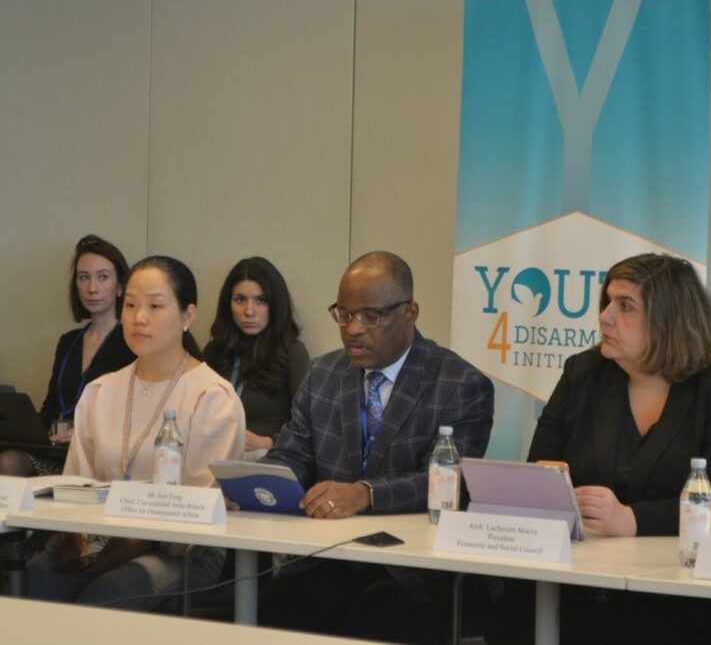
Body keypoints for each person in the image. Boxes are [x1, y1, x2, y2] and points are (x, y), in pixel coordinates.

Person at [493, 253, 711, 645]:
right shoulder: (584, 373)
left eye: (625, 306)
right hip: (586, 583)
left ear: (670, 319)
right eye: (607, 302)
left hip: (691, 595)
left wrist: (632, 520)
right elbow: (542, 470)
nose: (606, 317)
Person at [259, 251, 494, 641]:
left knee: (375, 618)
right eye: (344, 314)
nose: (353, 329)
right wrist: (255, 483)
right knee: (271, 609)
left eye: (371, 316)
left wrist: (365, 494)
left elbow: (450, 483)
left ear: (410, 313)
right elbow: (294, 453)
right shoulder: (323, 374)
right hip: (328, 556)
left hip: (412, 569)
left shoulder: (459, 383)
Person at [26, 255, 245, 610]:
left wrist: (132, 539)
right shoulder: (102, 390)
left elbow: (198, 508)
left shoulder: (210, 395)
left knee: (109, 593)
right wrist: (75, 536)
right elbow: (77, 484)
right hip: (102, 538)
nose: (139, 318)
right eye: (129, 305)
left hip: (178, 550)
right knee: (34, 577)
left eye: (155, 306)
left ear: (188, 316)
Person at [0, 235, 135, 477]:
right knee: (7, 455)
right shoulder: (69, 341)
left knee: (9, 463)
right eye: (84, 277)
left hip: (99, 449)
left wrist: (85, 430)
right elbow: (50, 406)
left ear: (120, 286)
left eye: (102, 277)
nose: (92, 288)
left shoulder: (132, 341)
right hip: (57, 448)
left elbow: (136, 412)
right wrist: (26, 433)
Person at [203, 257, 309, 459]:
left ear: (275, 305)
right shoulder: (214, 351)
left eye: (261, 300)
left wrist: (267, 441)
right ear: (228, 304)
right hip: (215, 455)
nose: (249, 312)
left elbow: (308, 427)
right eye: (240, 300)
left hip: (268, 456)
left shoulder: (292, 352)